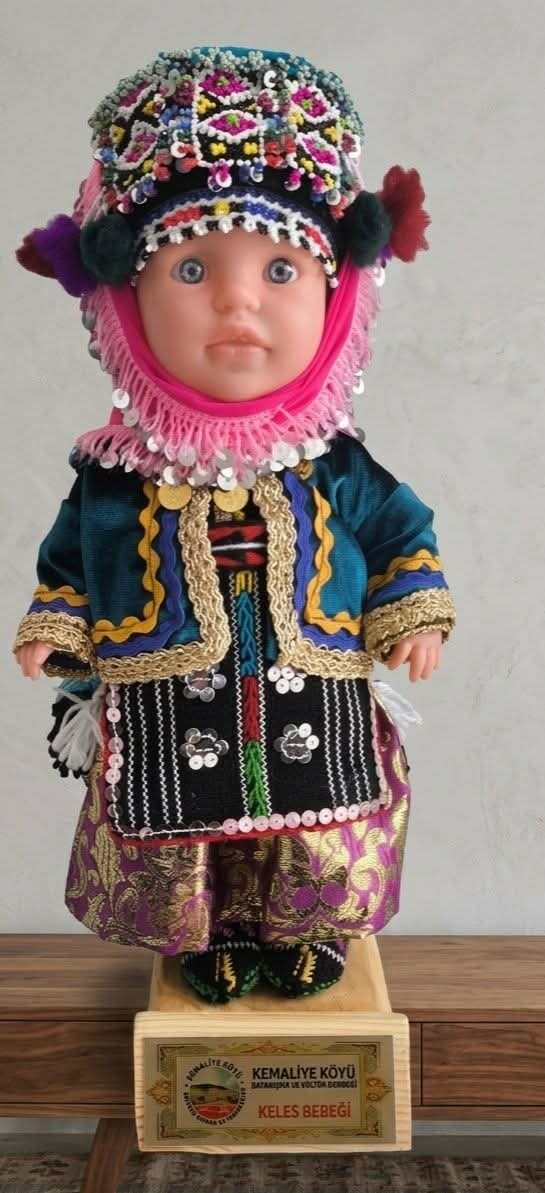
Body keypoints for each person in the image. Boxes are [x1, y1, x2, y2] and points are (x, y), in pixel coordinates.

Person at [13, 45, 455, 1002]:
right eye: (191, 267)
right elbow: (71, 558)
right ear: (125, 300)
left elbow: (397, 531)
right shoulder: (116, 471)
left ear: (337, 297)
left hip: (314, 682)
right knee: (189, 816)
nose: (237, 299)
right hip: (171, 688)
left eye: (282, 267)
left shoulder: (337, 463)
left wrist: (412, 610)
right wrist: (57, 622)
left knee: (313, 810)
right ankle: (206, 935)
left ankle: (310, 927)